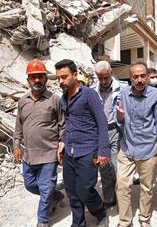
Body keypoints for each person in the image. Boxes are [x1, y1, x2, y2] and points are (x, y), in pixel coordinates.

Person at [55, 59, 110, 227]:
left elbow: (102, 122)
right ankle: (78, 223)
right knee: (72, 192)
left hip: (88, 150)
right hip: (70, 152)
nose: (60, 81)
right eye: (58, 78)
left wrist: (103, 150)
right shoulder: (64, 98)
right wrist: (63, 141)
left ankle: (101, 213)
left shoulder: (89, 94)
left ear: (75, 75)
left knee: (85, 190)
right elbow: (70, 123)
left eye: (64, 77)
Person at [13, 59, 65, 227]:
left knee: (46, 187)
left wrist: (62, 143)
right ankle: (56, 197)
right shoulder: (23, 101)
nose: (37, 80)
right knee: (30, 185)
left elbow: (63, 124)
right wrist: (16, 146)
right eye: (33, 77)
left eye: (40, 77)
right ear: (28, 80)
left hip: (49, 153)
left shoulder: (54, 99)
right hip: (28, 154)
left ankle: (42, 220)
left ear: (45, 79)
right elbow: (18, 126)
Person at [115, 61, 157, 227]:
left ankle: (144, 218)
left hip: (147, 149)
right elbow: (119, 122)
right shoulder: (122, 93)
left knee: (147, 188)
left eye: (143, 76)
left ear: (147, 76)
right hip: (127, 148)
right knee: (122, 186)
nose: (139, 80)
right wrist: (120, 116)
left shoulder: (156, 94)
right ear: (130, 78)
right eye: (135, 77)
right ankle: (125, 221)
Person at [90, 60, 125, 208]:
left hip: (117, 130)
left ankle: (121, 197)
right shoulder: (92, 91)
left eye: (106, 77)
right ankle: (109, 198)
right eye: (100, 78)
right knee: (104, 167)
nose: (104, 81)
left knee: (117, 167)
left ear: (111, 73)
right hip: (100, 133)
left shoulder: (123, 88)